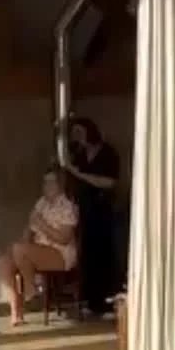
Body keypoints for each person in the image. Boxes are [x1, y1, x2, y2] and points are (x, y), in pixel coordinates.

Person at [0, 166, 78, 326]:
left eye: (51, 182)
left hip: (60, 253)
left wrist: (42, 224)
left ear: (60, 184)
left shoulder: (68, 206)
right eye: (45, 182)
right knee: (4, 261)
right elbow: (29, 229)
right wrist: (19, 247)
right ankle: (16, 313)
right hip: (37, 250)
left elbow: (64, 239)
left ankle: (31, 290)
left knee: (19, 250)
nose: (47, 186)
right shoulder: (41, 203)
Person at [65, 117, 119, 316]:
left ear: (90, 131)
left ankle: (106, 301)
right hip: (84, 210)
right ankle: (90, 301)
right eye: (74, 133)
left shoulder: (108, 153)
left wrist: (79, 174)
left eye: (80, 132)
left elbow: (110, 182)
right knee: (86, 255)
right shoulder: (78, 155)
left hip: (103, 209)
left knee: (103, 254)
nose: (77, 136)